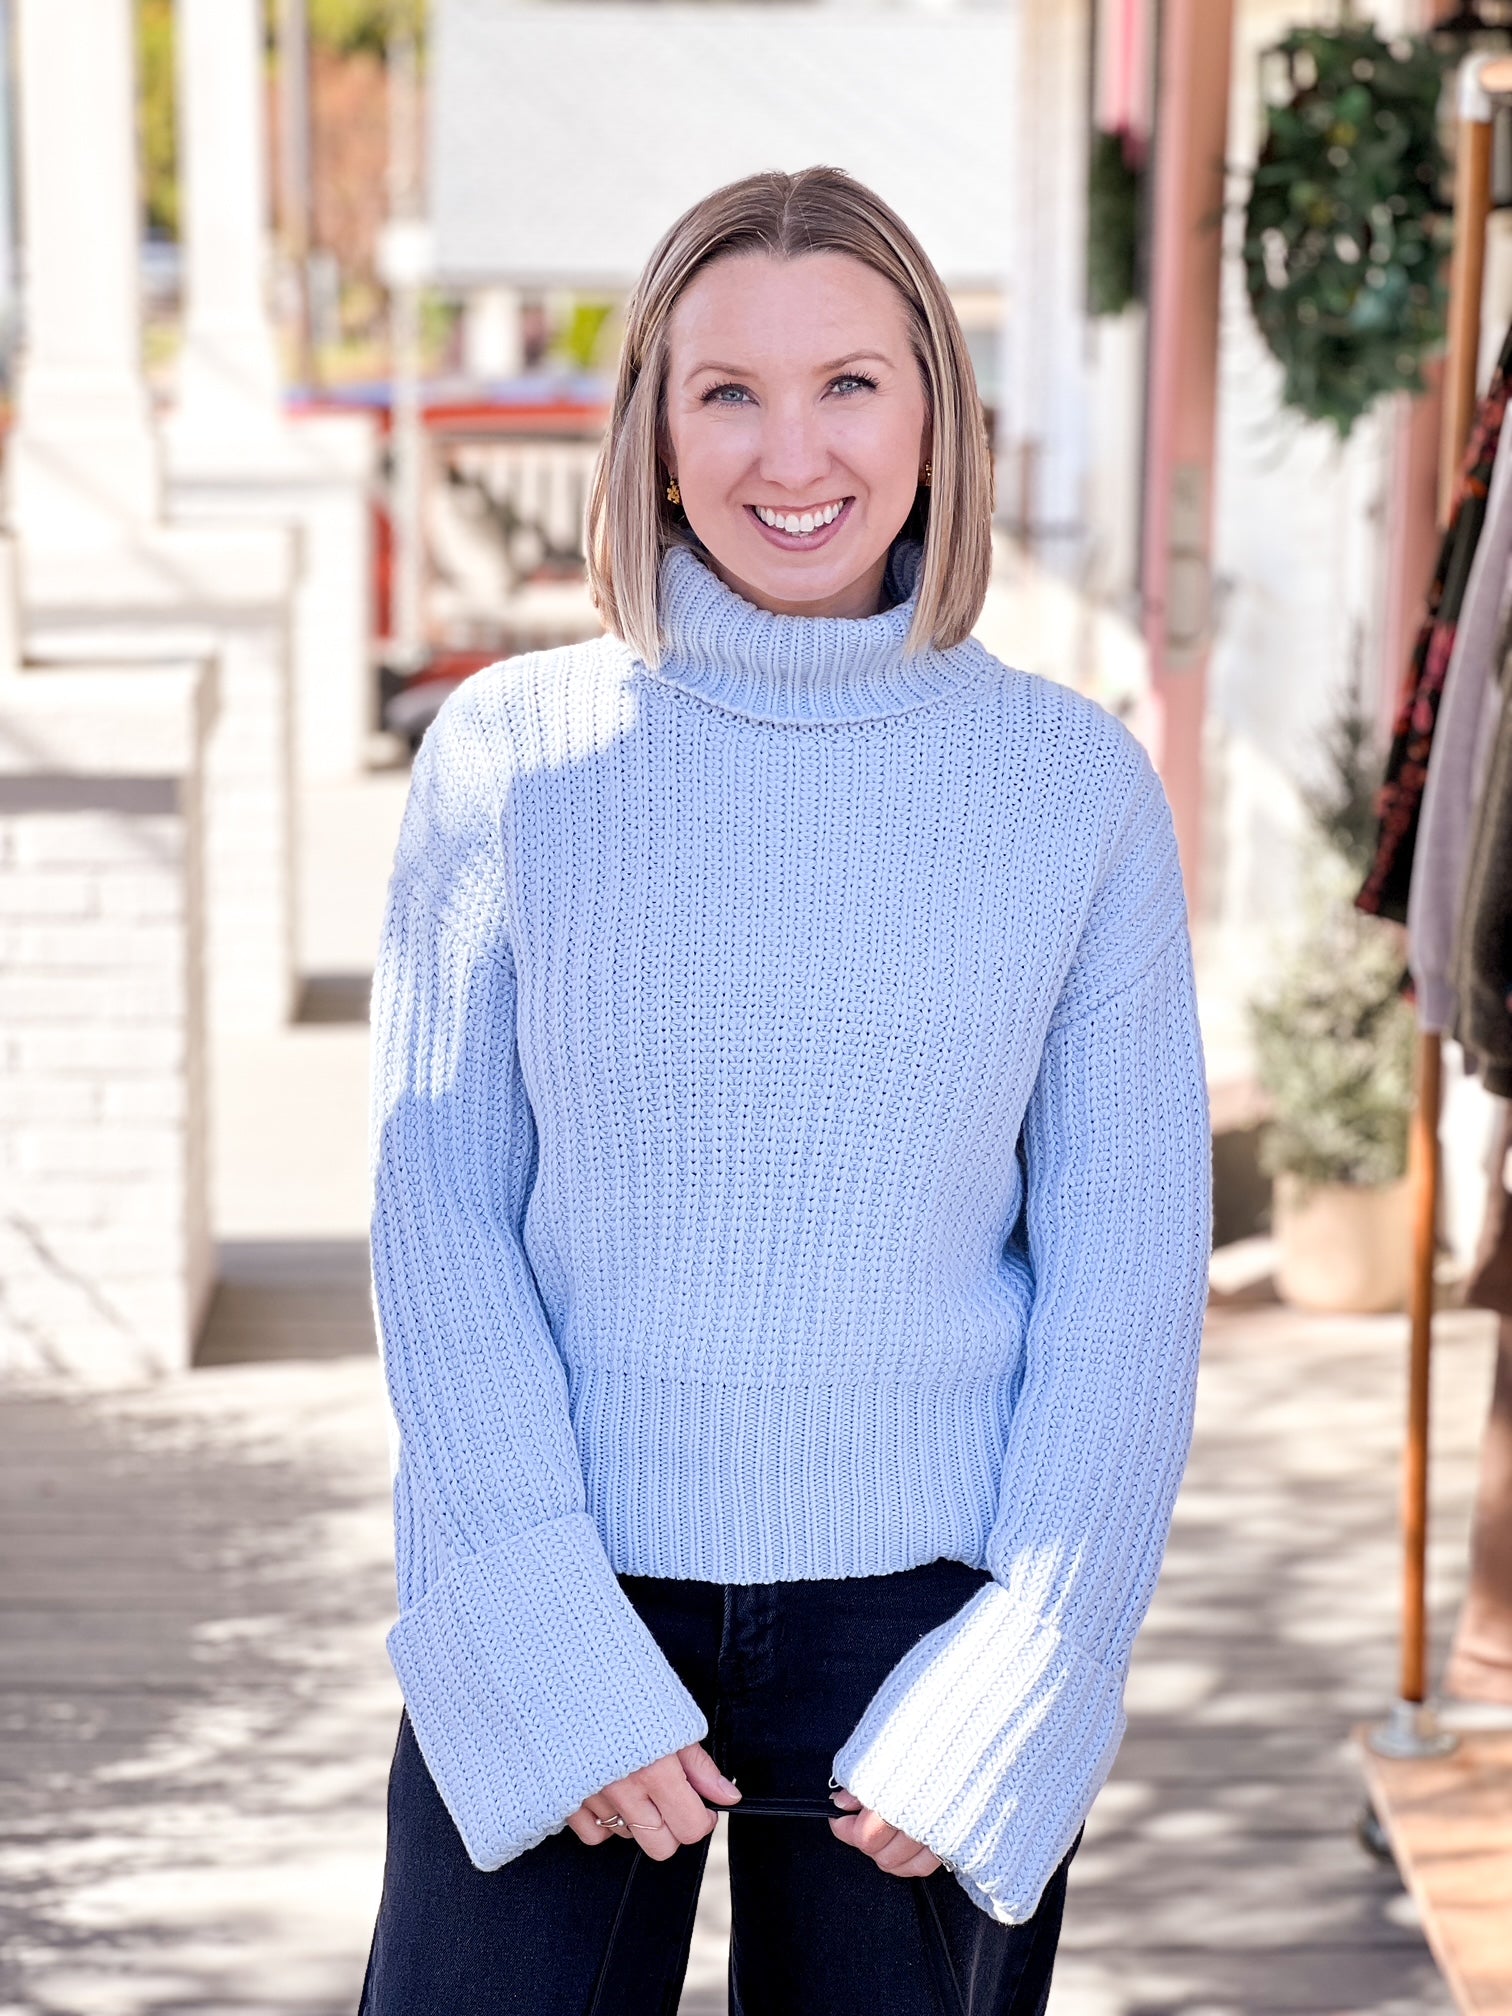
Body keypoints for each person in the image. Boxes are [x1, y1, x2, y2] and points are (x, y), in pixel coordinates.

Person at [358, 166, 1212, 2016]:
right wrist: (539, 1630)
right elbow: (438, 1221)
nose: (788, 451)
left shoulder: (1073, 792)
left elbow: (1128, 1281)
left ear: (937, 416)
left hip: (926, 1627)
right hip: (560, 1577)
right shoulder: (510, 758)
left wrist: (1035, 1659)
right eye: (724, 389)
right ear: (653, 430)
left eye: (851, 382)